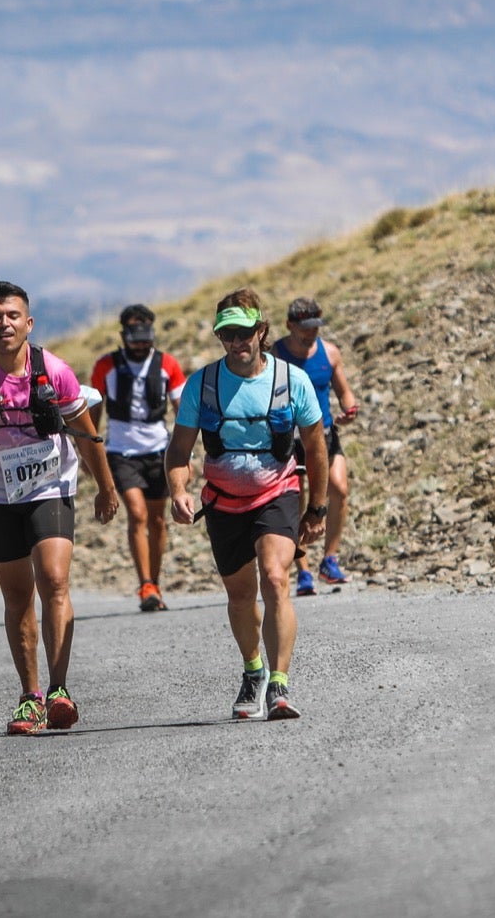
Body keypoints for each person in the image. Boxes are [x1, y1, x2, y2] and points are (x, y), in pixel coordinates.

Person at [0, 281, 120, 735]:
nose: (5, 324)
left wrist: (106, 488)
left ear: (28, 323)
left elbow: (88, 433)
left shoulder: (53, 371)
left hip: (50, 485)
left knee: (53, 579)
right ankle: (30, 698)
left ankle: (59, 691)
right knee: (17, 597)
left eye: (13, 316)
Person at [167, 288, 327, 721]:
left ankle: (279, 684)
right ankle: (253, 670)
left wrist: (318, 508)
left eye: (244, 333)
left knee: (275, 578)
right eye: (227, 335)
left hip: (277, 493)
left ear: (261, 331)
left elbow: (315, 448)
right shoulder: (203, 383)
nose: (236, 342)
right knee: (240, 596)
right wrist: (179, 490)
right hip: (222, 501)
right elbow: (179, 451)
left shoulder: (292, 381)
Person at [90, 304, 188, 612]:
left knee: (158, 520)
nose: (141, 344)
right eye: (135, 337)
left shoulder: (167, 364)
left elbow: (182, 411)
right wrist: (89, 451)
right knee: (138, 513)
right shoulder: (105, 366)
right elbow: (92, 411)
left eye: (146, 336)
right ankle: (144, 582)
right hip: (121, 451)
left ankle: (154, 584)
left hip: (159, 450)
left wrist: (188, 454)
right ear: (123, 335)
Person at [273, 296, 360, 594]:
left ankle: (330, 559)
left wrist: (350, 409)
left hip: (324, 433)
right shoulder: (276, 356)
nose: (312, 333)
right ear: (290, 326)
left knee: (339, 489)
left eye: (316, 327)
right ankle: (303, 570)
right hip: (290, 436)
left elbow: (343, 392)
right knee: (298, 500)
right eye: (306, 327)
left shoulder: (330, 353)